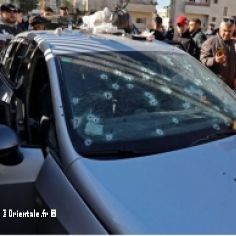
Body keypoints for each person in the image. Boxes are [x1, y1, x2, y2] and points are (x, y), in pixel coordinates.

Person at [200, 17, 236, 89]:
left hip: (230, 87)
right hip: (214, 87)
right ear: (219, 29)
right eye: (224, 30)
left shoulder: (234, 43)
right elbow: (203, 61)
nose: (227, 33)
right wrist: (215, 60)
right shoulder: (210, 42)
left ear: (233, 31)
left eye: (230, 31)